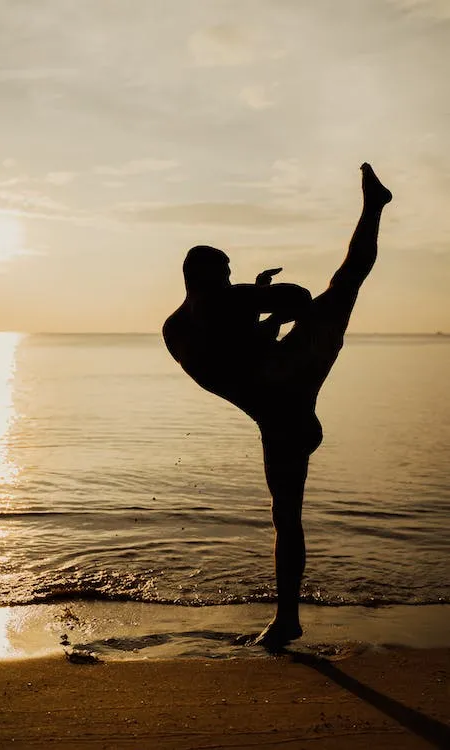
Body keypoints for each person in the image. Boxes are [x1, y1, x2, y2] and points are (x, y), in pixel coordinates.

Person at [163, 163, 392, 651]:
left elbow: (234, 367)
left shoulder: (176, 328)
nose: (230, 279)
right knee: (345, 281)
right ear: (205, 277)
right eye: (225, 273)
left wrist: (258, 311)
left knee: (286, 517)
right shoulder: (223, 306)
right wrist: (262, 298)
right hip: (294, 385)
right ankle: (373, 208)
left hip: (279, 410)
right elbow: (295, 297)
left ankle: (287, 620)